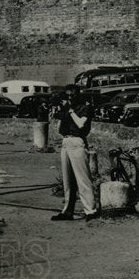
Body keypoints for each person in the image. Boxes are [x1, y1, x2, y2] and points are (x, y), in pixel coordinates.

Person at [51, 91, 99, 222]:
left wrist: (71, 111)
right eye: (67, 96)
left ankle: (91, 210)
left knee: (83, 178)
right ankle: (67, 211)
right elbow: (60, 130)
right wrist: (61, 112)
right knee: (68, 181)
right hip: (66, 142)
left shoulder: (85, 108)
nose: (69, 98)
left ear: (78, 96)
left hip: (78, 141)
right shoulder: (67, 109)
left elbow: (81, 124)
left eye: (72, 96)